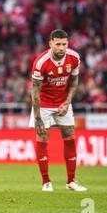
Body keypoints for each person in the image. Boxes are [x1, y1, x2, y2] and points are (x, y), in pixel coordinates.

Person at [29, 29, 87, 192]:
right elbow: (35, 91)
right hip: (44, 103)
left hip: (63, 103)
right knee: (42, 137)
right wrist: (38, 117)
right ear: (51, 44)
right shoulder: (41, 63)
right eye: (58, 44)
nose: (62, 48)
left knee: (69, 135)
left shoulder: (74, 58)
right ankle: (46, 182)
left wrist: (67, 102)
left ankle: (71, 181)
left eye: (64, 44)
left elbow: (74, 82)